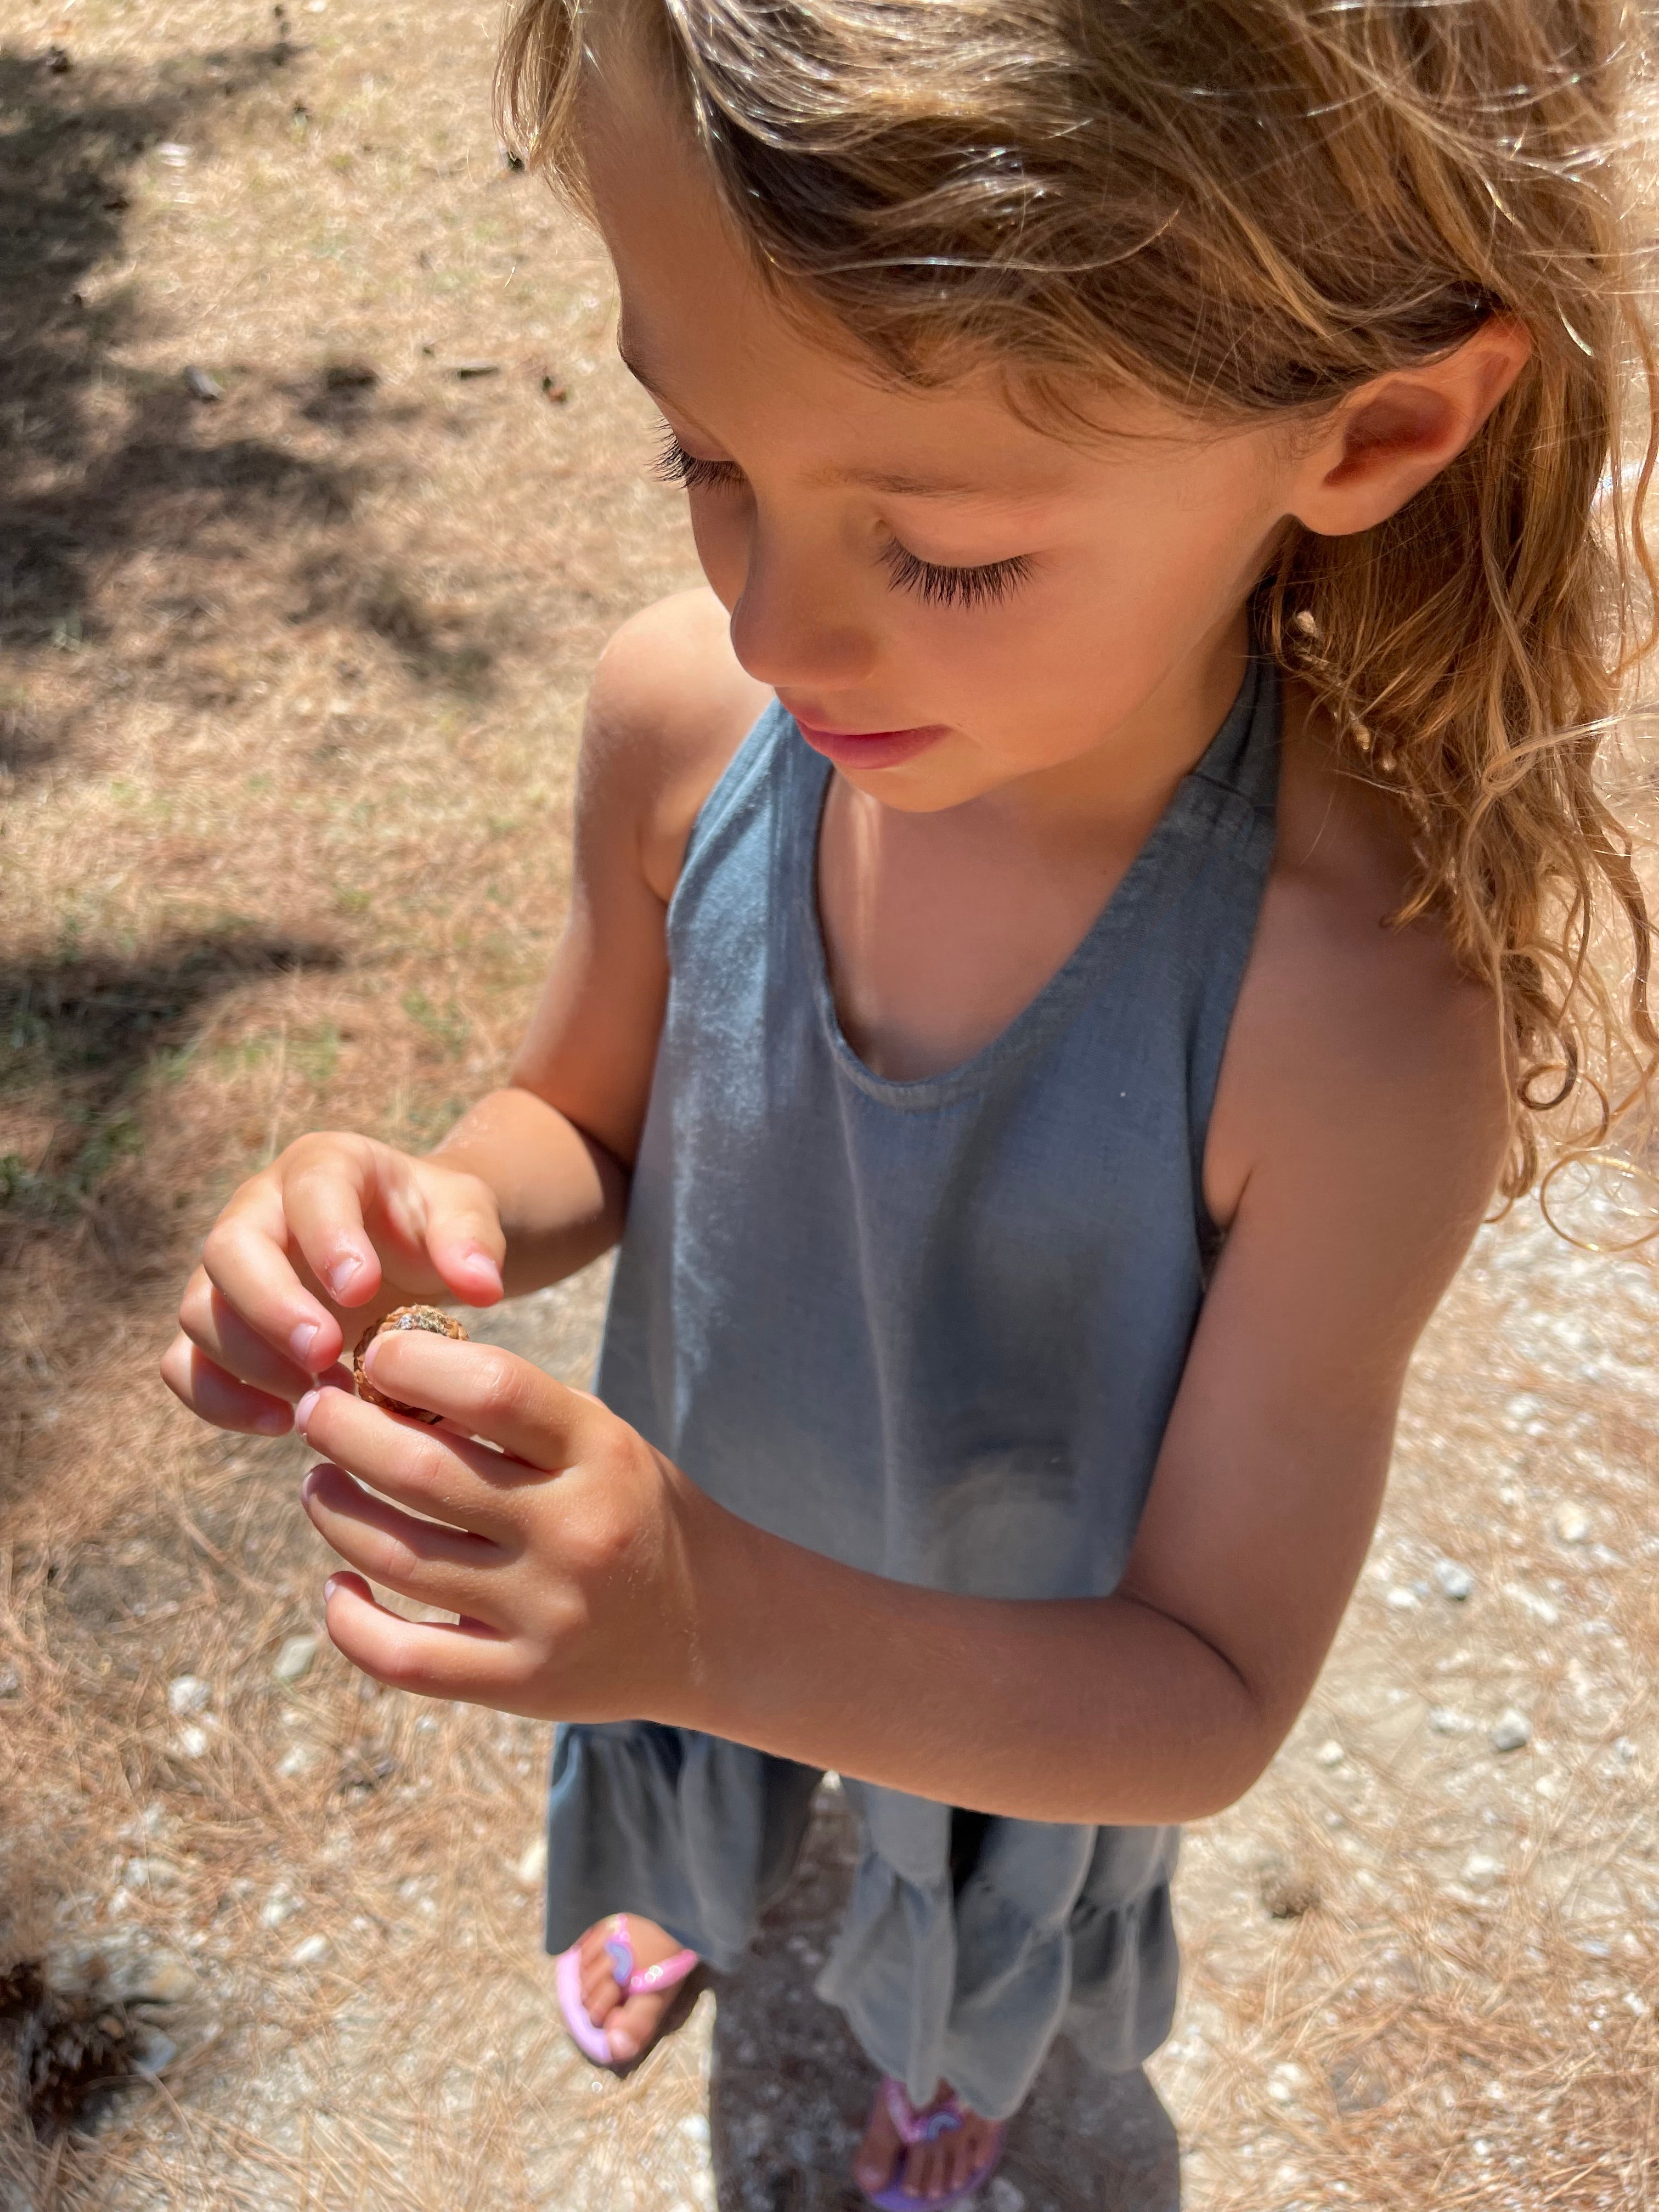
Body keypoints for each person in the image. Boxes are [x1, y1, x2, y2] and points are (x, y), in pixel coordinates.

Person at [162, 1, 1657, 2202]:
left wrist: (707, 1614)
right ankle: (696, 1860)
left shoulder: (1349, 1018)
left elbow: (1207, 1686)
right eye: (710, 465)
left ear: (1375, 430)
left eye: (945, 548)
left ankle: (943, 2045)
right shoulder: (684, 727)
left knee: (954, 1909)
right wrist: (417, 1208)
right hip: (685, 1544)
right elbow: (582, 1122)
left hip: (1010, 1676)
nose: (779, 630)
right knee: (694, 1748)